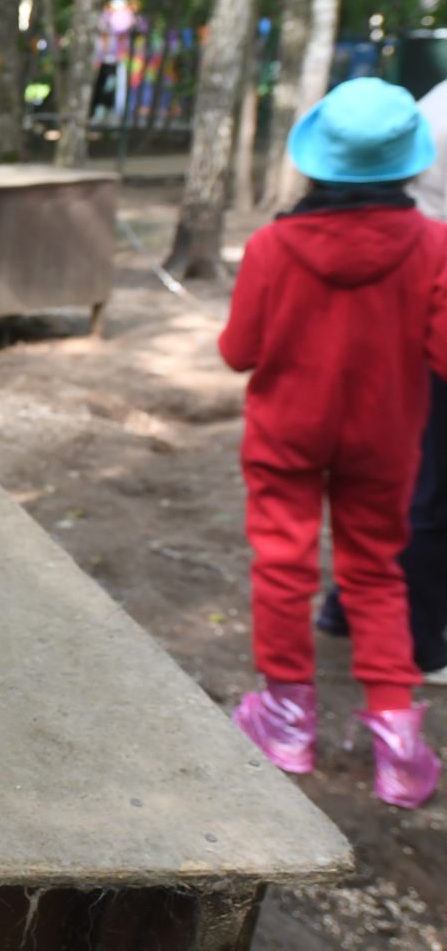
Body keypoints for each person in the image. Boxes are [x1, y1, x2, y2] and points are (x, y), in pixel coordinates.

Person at [220, 77, 447, 809]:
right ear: (409, 163)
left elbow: (238, 351)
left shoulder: (272, 246)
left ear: (317, 160)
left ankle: (286, 723)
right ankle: (399, 744)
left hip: (287, 432)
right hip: (386, 437)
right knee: (377, 572)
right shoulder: (435, 245)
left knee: (283, 566)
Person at [317, 74, 447, 684]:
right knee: (426, 492)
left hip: (386, 342)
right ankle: (420, 644)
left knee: (384, 488)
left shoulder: (434, 105)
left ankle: (344, 608)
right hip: (423, 319)